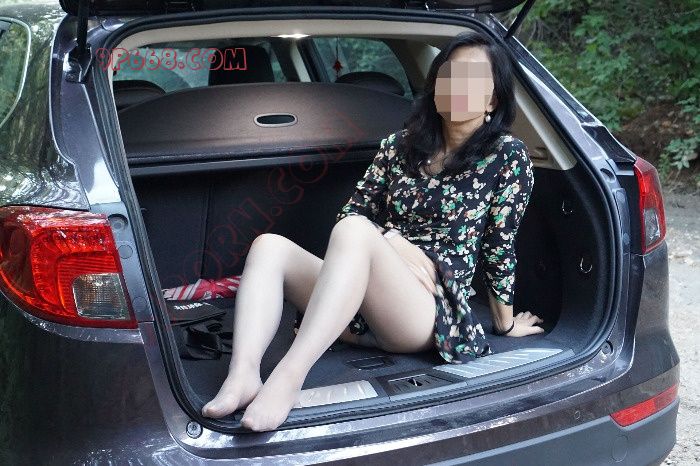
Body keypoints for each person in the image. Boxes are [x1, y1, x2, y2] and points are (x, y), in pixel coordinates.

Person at [201, 30, 545, 432]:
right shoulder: (399, 145)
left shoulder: (507, 156)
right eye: (449, 74)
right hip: (359, 300)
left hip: (425, 308)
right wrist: (394, 242)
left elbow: (500, 246)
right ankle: (242, 374)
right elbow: (352, 212)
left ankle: (288, 377)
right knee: (269, 246)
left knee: (355, 232)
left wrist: (505, 324)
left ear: (492, 100)